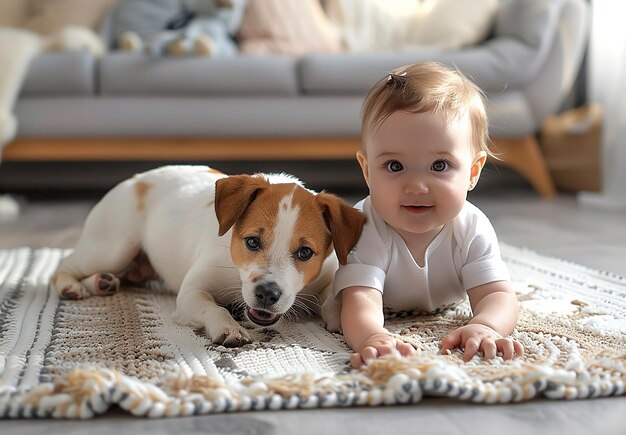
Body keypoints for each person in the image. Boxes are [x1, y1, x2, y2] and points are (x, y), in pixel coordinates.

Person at [333, 61, 524, 368]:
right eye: (394, 166)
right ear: (367, 171)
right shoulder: (364, 226)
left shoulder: (471, 227)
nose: (416, 187)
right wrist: (372, 336)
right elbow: (360, 300)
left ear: (473, 172)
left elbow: (497, 295)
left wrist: (486, 325)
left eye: (439, 166)